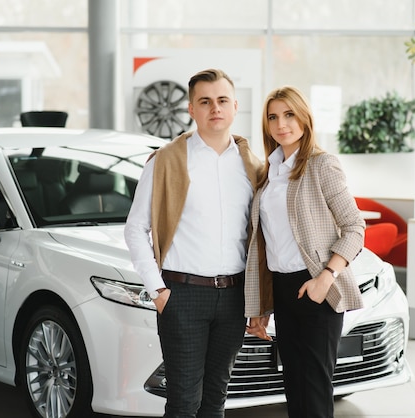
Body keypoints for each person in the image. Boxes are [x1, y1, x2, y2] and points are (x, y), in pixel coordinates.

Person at [124, 68, 262, 418]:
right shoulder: (166, 161)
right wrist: (158, 290)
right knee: (184, 403)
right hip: (181, 294)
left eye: (221, 100)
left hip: (233, 297)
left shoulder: (252, 166)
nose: (214, 108)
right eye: (205, 101)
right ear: (191, 109)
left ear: (234, 107)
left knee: (215, 399)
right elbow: (135, 228)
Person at [244, 86, 366, 418]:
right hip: (284, 291)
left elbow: (355, 228)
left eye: (289, 115)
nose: (281, 124)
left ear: (304, 118)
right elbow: (266, 245)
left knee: (313, 391)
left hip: (316, 288)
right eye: (273, 117)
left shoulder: (321, 165)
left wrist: (326, 278)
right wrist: (261, 304)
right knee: (294, 388)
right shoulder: (269, 172)